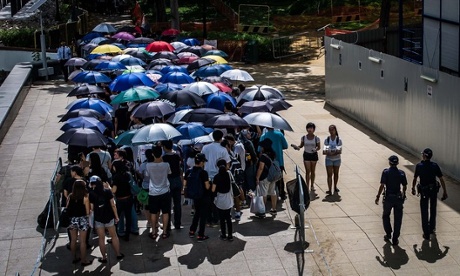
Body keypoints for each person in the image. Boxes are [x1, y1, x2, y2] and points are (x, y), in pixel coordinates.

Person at [411, 148, 448, 240]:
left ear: (424, 156)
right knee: (433, 209)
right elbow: (441, 179)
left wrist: (413, 188)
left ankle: (426, 233)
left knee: (424, 210)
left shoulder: (419, 166)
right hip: (433, 190)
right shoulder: (434, 166)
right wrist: (444, 191)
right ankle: (431, 228)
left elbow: (415, 178)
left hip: (424, 191)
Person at [89, 176, 124, 263]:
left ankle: (104, 257)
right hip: (109, 217)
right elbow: (113, 204)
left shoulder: (91, 194)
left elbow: (92, 208)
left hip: (98, 219)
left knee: (101, 238)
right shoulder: (107, 191)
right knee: (114, 236)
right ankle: (118, 254)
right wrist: (116, 216)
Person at [375, 155, 408, 246]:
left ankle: (388, 233)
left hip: (388, 198)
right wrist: (403, 194)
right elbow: (404, 186)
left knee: (386, 216)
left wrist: (378, 196)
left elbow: (382, 185)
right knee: (398, 219)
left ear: (389, 162)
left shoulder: (386, 172)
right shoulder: (401, 173)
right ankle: (395, 238)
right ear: (397, 163)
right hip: (398, 198)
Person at [201, 130, 230, 226]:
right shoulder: (223, 150)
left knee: (208, 199)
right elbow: (227, 165)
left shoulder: (205, 148)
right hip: (218, 177)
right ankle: (216, 218)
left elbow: (202, 162)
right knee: (216, 198)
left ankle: (208, 219)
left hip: (207, 177)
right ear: (221, 138)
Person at [146, 145, 171, 240]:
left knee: (153, 212)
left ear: (153, 154)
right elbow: (169, 173)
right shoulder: (166, 164)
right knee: (165, 212)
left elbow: (147, 175)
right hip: (165, 191)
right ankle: (164, 232)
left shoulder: (148, 165)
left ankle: (153, 231)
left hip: (153, 192)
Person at [185, 153, 211, 241]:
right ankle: (201, 234)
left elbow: (185, 184)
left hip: (194, 196)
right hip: (203, 196)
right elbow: (207, 187)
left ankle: (192, 230)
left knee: (197, 213)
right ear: (202, 162)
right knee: (203, 215)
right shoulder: (204, 173)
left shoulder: (189, 171)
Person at [66, 180, 92, 266]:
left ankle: (74, 257)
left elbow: (67, 207)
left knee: (73, 240)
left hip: (72, 220)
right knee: (83, 241)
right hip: (82, 219)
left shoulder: (70, 196)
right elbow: (88, 212)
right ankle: (83, 260)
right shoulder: (85, 197)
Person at [259, 127, 288, 200]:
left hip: (266, 162)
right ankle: (281, 194)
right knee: (279, 178)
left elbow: (259, 149)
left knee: (268, 179)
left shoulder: (263, 136)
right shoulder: (280, 134)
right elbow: (285, 146)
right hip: (279, 161)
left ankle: (269, 196)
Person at [292, 122, 320, 191]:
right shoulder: (304, 137)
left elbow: (318, 147)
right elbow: (301, 146)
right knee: (308, 171)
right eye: (308, 128)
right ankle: (307, 186)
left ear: (314, 129)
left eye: (311, 128)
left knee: (313, 171)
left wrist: (315, 149)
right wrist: (297, 147)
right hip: (306, 154)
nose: (310, 130)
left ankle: (312, 185)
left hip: (314, 155)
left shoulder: (316, 138)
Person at [162, 139, 184, 230]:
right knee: (177, 204)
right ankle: (177, 224)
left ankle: (167, 226)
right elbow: (180, 170)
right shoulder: (177, 156)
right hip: (177, 180)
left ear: (165, 147)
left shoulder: (164, 158)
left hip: (168, 181)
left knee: (167, 205)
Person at [111, 159, 133, 241]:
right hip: (129, 198)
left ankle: (115, 235)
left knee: (116, 218)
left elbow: (113, 190)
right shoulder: (127, 174)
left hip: (120, 200)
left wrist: (108, 187)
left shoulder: (116, 177)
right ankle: (127, 235)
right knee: (128, 217)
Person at [212, 159, 234, 241]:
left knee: (221, 218)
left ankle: (223, 234)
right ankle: (230, 235)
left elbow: (213, 190)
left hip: (220, 200)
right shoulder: (229, 174)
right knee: (228, 218)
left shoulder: (216, 177)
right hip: (228, 199)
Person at [255, 138, 278, 218]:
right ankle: (274, 209)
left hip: (265, 177)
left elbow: (261, 168)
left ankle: (262, 211)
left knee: (263, 194)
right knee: (273, 192)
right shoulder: (273, 154)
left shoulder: (263, 156)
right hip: (272, 176)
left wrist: (257, 177)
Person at [323, 124, 342, 195]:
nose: (331, 131)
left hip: (337, 159)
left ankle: (335, 186)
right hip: (329, 159)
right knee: (329, 174)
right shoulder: (327, 140)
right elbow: (324, 151)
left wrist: (331, 153)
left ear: (335, 130)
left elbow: (339, 151)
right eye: (330, 130)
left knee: (336, 173)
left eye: (332, 130)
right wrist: (332, 153)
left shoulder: (338, 140)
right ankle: (329, 189)